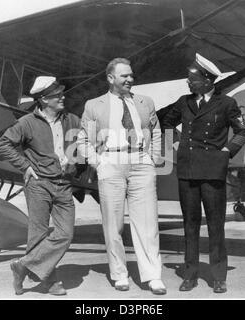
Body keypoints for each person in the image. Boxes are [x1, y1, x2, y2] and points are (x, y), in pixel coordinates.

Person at [159, 53, 245, 293]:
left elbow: (242, 131)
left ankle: (219, 276)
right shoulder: (183, 102)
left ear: (208, 80)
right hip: (187, 170)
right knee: (189, 224)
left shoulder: (227, 103)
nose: (188, 83)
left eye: (193, 79)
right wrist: (176, 145)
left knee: (215, 225)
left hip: (212, 170)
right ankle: (189, 275)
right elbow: (166, 124)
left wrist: (226, 152)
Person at [76, 58, 166, 295]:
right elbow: (83, 139)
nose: (130, 79)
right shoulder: (94, 105)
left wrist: (153, 157)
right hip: (111, 163)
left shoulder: (145, 102)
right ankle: (119, 274)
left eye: (131, 75)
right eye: (124, 76)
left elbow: (156, 131)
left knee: (147, 223)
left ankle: (153, 276)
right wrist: (98, 163)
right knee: (113, 225)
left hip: (140, 163)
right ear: (110, 78)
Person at [0, 76, 81, 296]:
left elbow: (88, 140)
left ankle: (22, 265)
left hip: (64, 184)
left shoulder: (72, 119)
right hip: (39, 184)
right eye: (56, 95)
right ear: (43, 100)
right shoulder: (27, 123)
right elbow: (3, 145)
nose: (63, 97)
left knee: (66, 234)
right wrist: (25, 166)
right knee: (38, 234)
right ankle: (49, 281)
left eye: (62, 93)